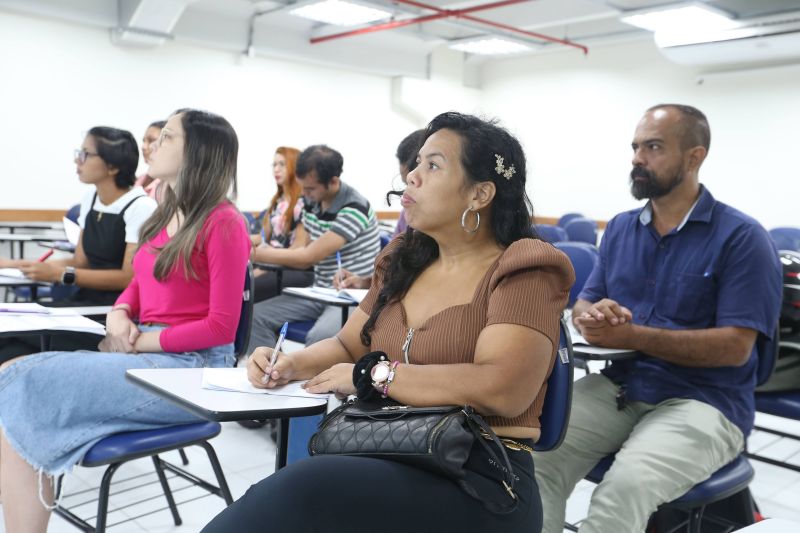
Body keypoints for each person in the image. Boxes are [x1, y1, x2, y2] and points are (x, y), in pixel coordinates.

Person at [202, 112, 574, 533]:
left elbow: (502, 388)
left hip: (480, 473)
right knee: (298, 488)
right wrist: (291, 363)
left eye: (432, 165)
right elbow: (347, 347)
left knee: (302, 489)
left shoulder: (525, 266)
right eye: (416, 164)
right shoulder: (404, 258)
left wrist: (374, 374)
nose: (412, 176)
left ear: (480, 194)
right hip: (388, 446)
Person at [534, 104, 783, 533]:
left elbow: (735, 347)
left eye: (653, 147)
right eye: (635, 147)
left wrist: (634, 335)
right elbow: (584, 302)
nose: (637, 158)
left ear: (694, 157)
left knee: (623, 490)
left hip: (706, 400)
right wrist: (591, 314)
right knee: (533, 459)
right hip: (625, 387)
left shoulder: (742, 238)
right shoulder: (621, 228)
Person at [0, 108, 251, 533]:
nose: (152, 146)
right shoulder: (162, 210)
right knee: (12, 375)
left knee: (23, 383)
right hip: (148, 351)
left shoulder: (224, 222)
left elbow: (221, 328)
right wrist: (119, 312)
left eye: (167, 138)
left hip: (194, 368)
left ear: (198, 153)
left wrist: (137, 343)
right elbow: (138, 282)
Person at [0, 126, 157, 359]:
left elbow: (127, 277)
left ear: (112, 166)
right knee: (10, 340)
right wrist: (14, 265)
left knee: (14, 344)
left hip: (111, 314)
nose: (77, 160)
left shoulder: (140, 207)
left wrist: (61, 275)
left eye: (86, 154)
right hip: (81, 302)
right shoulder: (91, 198)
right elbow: (81, 260)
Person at [245, 144, 381, 350]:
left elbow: (308, 257)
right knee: (254, 318)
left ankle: (308, 379)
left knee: (320, 338)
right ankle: (271, 372)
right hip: (319, 292)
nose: (304, 194)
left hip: (351, 296)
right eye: (302, 187)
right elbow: (299, 249)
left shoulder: (354, 207)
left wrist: (253, 253)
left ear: (333, 181)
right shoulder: (311, 201)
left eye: (310, 188)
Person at [335, 129, 425, 291]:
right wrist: (364, 282)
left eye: (413, 184)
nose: (407, 193)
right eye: (406, 184)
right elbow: (393, 271)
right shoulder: (407, 216)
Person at [250, 146, 313, 302]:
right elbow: (263, 237)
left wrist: (264, 264)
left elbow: (299, 247)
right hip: (270, 263)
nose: (276, 170)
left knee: (243, 289)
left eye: (282, 164)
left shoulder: (304, 202)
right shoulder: (278, 201)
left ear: (295, 167)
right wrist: (237, 241)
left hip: (288, 268)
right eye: (274, 165)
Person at [134, 119, 166, 200]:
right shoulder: (137, 181)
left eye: (151, 140)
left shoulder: (171, 188)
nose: (143, 147)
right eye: (144, 141)